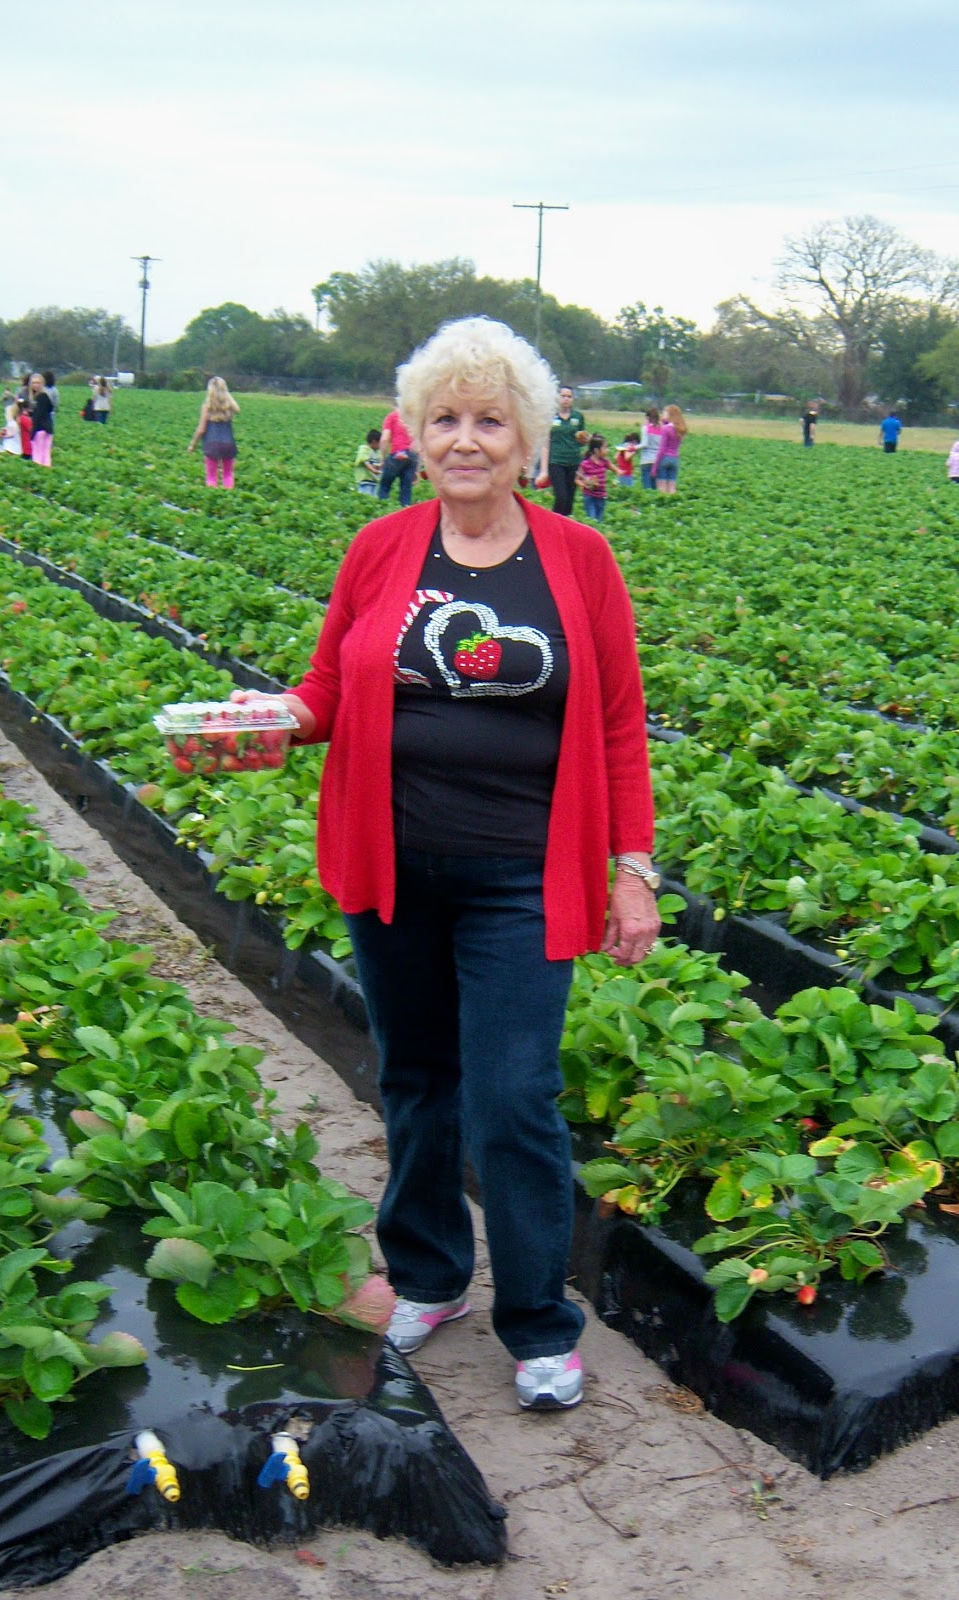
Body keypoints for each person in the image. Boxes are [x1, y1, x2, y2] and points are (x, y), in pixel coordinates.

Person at [250, 316, 659, 1413]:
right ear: (415, 435)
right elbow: (325, 690)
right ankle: (428, 1274)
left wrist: (632, 866)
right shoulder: (380, 548)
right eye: (445, 419)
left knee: (515, 1094)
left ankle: (537, 1318)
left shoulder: (582, 559)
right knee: (416, 1077)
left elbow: (619, 723)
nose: (465, 438)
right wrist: (270, 717)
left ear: (529, 441)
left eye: (489, 419)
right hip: (394, 866)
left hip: (523, 874)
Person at [536, 385, 586, 516]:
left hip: (573, 461)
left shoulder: (578, 417)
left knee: (569, 500)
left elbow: (581, 441)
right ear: (558, 398)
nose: (566, 399)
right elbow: (545, 444)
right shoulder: (550, 417)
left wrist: (584, 439)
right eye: (563, 396)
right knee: (561, 497)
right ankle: (553, 523)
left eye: (569, 396)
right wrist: (543, 470)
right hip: (556, 461)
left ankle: (565, 527)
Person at [188, 376, 239, 488]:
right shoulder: (229, 406)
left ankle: (212, 496)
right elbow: (238, 409)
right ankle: (228, 497)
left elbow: (201, 429)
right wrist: (226, 394)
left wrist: (193, 445)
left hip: (212, 444)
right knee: (228, 475)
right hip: (229, 444)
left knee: (211, 476)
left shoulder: (207, 406)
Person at [377, 407, 419, 506]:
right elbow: (418, 443)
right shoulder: (413, 418)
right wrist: (416, 469)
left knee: (385, 486)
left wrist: (383, 458)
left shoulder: (392, 417)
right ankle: (405, 512)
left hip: (397, 454)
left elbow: (384, 439)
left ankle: (382, 510)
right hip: (412, 455)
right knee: (406, 489)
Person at [576, 434, 619, 521]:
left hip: (601, 495)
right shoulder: (585, 464)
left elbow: (617, 471)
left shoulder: (605, 462)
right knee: (592, 519)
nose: (607, 450)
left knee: (599, 520)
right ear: (596, 450)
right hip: (589, 496)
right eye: (605, 447)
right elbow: (577, 479)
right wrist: (585, 484)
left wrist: (615, 481)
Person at [652, 404, 687, 494]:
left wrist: (655, 467)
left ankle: (663, 505)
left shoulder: (666, 428)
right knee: (672, 487)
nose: (663, 415)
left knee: (662, 487)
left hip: (665, 458)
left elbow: (662, 449)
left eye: (665, 413)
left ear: (670, 414)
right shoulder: (680, 429)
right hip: (675, 459)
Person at [27, 373, 54, 467]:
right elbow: (50, 409)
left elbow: (38, 416)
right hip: (48, 428)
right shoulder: (44, 396)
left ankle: (39, 470)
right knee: (46, 453)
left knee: (38, 453)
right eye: (34, 383)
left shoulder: (41, 397)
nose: (36, 385)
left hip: (40, 428)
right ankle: (46, 471)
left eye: (38, 383)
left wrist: (32, 432)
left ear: (42, 383)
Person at [638, 407, 662, 490]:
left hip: (646, 460)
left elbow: (644, 444)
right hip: (658, 461)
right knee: (655, 487)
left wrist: (633, 447)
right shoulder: (661, 429)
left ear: (647, 417)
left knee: (647, 488)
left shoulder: (645, 428)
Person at [354, 428, 382, 495]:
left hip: (374, 480)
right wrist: (374, 470)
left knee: (374, 498)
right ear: (374, 442)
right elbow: (365, 462)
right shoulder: (364, 449)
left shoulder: (378, 452)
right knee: (366, 496)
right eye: (379, 443)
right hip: (365, 479)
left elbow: (380, 464)